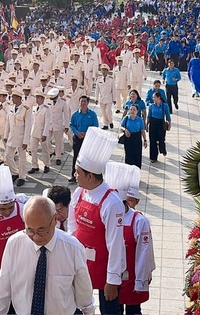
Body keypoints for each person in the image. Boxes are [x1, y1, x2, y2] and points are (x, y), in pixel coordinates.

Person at [0, 196, 95, 315]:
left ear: (55, 220)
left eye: (42, 230)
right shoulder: (14, 244)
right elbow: (3, 290)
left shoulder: (73, 248)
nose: (36, 237)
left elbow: (84, 295)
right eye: (30, 230)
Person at [68, 127, 127, 314]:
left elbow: (116, 244)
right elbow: (72, 224)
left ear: (90, 176)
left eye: (78, 172)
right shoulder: (80, 192)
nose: (74, 175)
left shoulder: (111, 202)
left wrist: (112, 280)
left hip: (103, 269)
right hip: (80, 265)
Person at [105, 163, 155, 315]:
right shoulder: (106, 216)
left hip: (132, 278)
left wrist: (143, 278)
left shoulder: (139, 221)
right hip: (111, 276)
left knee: (133, 311)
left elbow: (145, 253)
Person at [69, 95, 99, 183]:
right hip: (78, 138)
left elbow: (95, 125)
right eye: (81, 101)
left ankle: (87, 176)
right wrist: (77, 132)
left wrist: (87, 133)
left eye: (84, 101)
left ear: (88, 103)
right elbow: (71, 124)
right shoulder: (75, 114)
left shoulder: (92, 114)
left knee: (87, 158)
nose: (83, 103)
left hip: (88, 139)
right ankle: (74, 175)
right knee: (76, 157)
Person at [5, 88, 32, 186]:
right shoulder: (10, 108)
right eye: (12, 97)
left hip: (21, 137)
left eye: (14, 97)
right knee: (8, 156)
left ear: (19, 98)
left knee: (22, 158)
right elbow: (8, 123)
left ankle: (22, 177)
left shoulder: (26, 110)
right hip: (12, 136)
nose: (12, 99)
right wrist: (5, 135)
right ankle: (15, 172)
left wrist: (26, 141)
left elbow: (28, 126)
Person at [28, 90, 52, 175]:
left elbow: (47, 122)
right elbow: (31, 120)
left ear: (42, 99)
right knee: (33, 149)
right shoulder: (34, 108)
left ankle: (47, 165)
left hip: (42, 132)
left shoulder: (46, 109)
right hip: (34, 132)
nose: (37, 99)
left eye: (39, 98)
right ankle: (35, 166)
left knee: (45, 150)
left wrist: (45, 134)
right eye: (36, 98)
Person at [146, 92, 171, 163]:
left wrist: (169, 124)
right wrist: (147, 125)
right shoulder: (151, 106)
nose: (153, 99)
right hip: (153, 123)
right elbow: (149, 116)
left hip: (161, 123)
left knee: (161, 139)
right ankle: (153, 157)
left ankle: (162, 149)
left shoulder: (164, 106)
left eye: (154, 97)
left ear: (159, 97)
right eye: (153, 97)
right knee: (152, 140)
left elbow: (168, 116)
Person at [120, 104, 147, 168]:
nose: (132, 111)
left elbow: (142, 131)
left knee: (137, 155)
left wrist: (145, 140)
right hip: (128, 138)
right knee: (128, 155)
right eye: (131, 109)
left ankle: (136, 171)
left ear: (137, 111)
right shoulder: (126, 118)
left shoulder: (140, 120)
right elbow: (121, 127)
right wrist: (125, 130)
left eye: (134, 110)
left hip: (137, 138)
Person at [48, 87, 70, 166]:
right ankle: (51, 151)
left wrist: (66, 125)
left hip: (58, 124)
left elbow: (66, 115)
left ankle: (58, 157)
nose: (52, 99)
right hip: (49, 124)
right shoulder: (48, 101)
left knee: (58, 142)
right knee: (46, 140)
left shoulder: (63, 102)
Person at [96, 64, 115, 130]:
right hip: (101, 98)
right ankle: (105, 124)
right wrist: (96, 98)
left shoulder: (111, 79)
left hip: (109, 98)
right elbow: (97, 90)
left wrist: (114, 99)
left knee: (108, 111)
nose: (103, 72)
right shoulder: (98, 79)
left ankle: (110, 121)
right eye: (102, 70)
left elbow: (113, 90)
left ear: (107, 71)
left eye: (105, 70)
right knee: (103, 112)